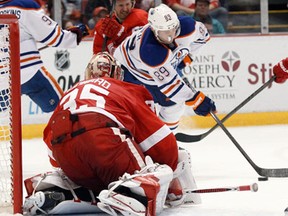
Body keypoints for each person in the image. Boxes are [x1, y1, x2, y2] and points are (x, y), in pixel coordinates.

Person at [22, 52, 201, 215]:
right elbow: (159, 140)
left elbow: (52, 149)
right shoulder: (127, 89)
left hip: (65, 153)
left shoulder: (71, 92)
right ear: (117, 74)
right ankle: (131, 195)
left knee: (93, 179)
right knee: (159, 170)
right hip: (104, 139)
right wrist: (170, 178)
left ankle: (60, 192)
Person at [113, 4, 216, 130]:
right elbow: (171, 86)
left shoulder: (188, 25)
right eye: (166, 31)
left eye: (173, 28)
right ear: (154, 30)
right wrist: (196, 100)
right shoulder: (150, 50)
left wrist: (187, 57)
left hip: (154, 64)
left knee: (174, 106)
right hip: (128, 68)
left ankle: (166, 138)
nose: (171, 34)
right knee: (133, 108)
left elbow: (203, 37)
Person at [0, 0, 89, 113]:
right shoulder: (22, 5)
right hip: (28, 73)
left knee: (6, 121)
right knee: (61, 109)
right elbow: (51, 36)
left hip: (2, 80)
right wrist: (75, 36)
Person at [163, 0, 228, 30]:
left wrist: (204, 8)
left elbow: (215, 2)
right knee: (180, 14)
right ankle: (182, 35)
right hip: (187, 14)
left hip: (206, 11)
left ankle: (222, 35)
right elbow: (172, 4)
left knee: (222, 11)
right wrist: (193, 11)